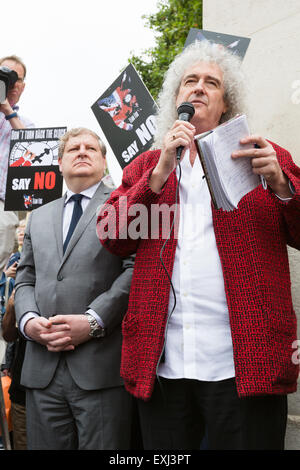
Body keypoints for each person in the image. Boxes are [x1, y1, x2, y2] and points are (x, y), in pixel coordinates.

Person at [97, 41, 300, 450]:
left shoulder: (263, 155)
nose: (199, 88)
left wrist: (282, 185)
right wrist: (157, 176)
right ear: (176, 99)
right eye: (190, 81)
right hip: (166, 365)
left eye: (212, 83)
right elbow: (113, 238)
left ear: (226, 104)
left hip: (243, 362)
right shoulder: (146, 165)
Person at [14, 127, 135, 450]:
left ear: (103, 161)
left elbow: (134, 269)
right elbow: (25, 277)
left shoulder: (124, 205)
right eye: (73, 149)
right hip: (42, 370)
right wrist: (27, 321)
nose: (82, 152)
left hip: (101, 368)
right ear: (59, 163)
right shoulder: (38, 217)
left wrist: (95, 320)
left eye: (90, 148)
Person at [0, 55, 34, 272]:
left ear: (21, 86)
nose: (10, 82)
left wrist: (7, 111)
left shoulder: (25, 123)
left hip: (3, 204)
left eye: (15, 78)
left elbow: (33, 150)